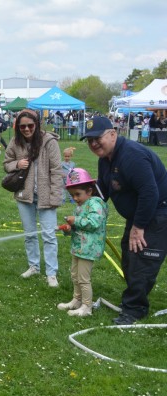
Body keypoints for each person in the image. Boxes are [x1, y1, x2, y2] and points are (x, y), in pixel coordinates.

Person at [83, 116, 167, 325]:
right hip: (141, 213)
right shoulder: (106, 159)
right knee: (129, 255)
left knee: (141, 258)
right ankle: (134, 300)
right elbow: (103, 190)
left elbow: (149, 193)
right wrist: (86, 210)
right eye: (89, 140)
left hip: (157, 212)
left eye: (97, 138)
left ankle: (134, 309)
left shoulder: (132, 156)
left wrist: (138, 227)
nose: (93, 144)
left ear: (113, 134)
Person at [3, 109, 64, 287]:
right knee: (29, 234)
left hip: (46, 196)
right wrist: (17, 164)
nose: (27, 129)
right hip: (24, 195)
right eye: (23, 126)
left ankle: (51, 273)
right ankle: (34, 266)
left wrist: (55, 197)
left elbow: (57, 171)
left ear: (37, 125)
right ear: (18, 127)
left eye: (30, 125)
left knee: (49, 235)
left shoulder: (49, 142)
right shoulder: (15, 142)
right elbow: (6, 164)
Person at [57, 168, 108, 317]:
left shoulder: (96, 204)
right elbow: (77, 227)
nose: (75, 198)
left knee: (83, 279)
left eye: (78, 194)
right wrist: (68, 229)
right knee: (75, 275)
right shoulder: (80, 207)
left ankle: (87, 306)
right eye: (72, 195)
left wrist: (76, 221)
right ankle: (76, 300)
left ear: (89, 191)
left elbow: (94, 223)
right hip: (78, 247)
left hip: (89, 248)